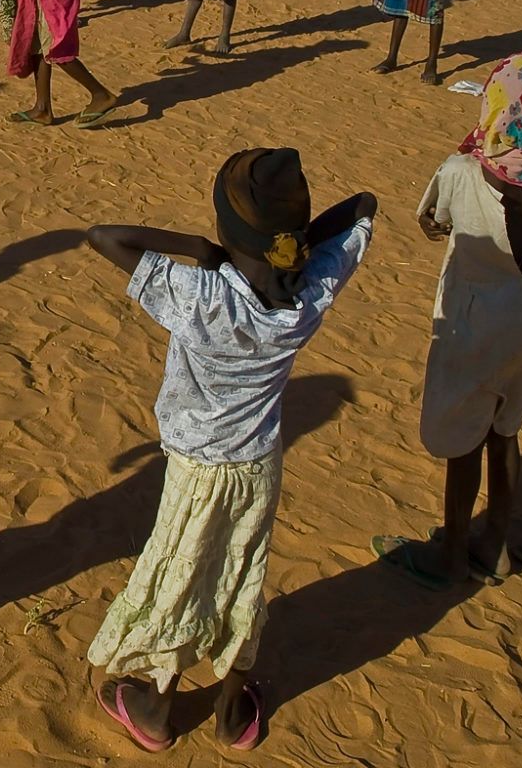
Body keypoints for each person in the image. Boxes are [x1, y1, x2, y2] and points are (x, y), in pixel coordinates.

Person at [82, 151, 376, 753]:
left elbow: (103, 236)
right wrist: (294, 244)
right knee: (243, 575)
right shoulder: (311, 290)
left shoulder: (201, 296)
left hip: (196, 469)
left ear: (225, 231)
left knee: (181, 576)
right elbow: (362, 208)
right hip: (260, 464)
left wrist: (195, 245)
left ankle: (158, 708)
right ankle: (231, 708)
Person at [375, 49, 522, 587]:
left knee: (464, 440)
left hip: (474, 317)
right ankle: (496, 546)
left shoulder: (462, 169)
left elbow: (432, 221)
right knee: (504, 431)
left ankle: (454, 552)